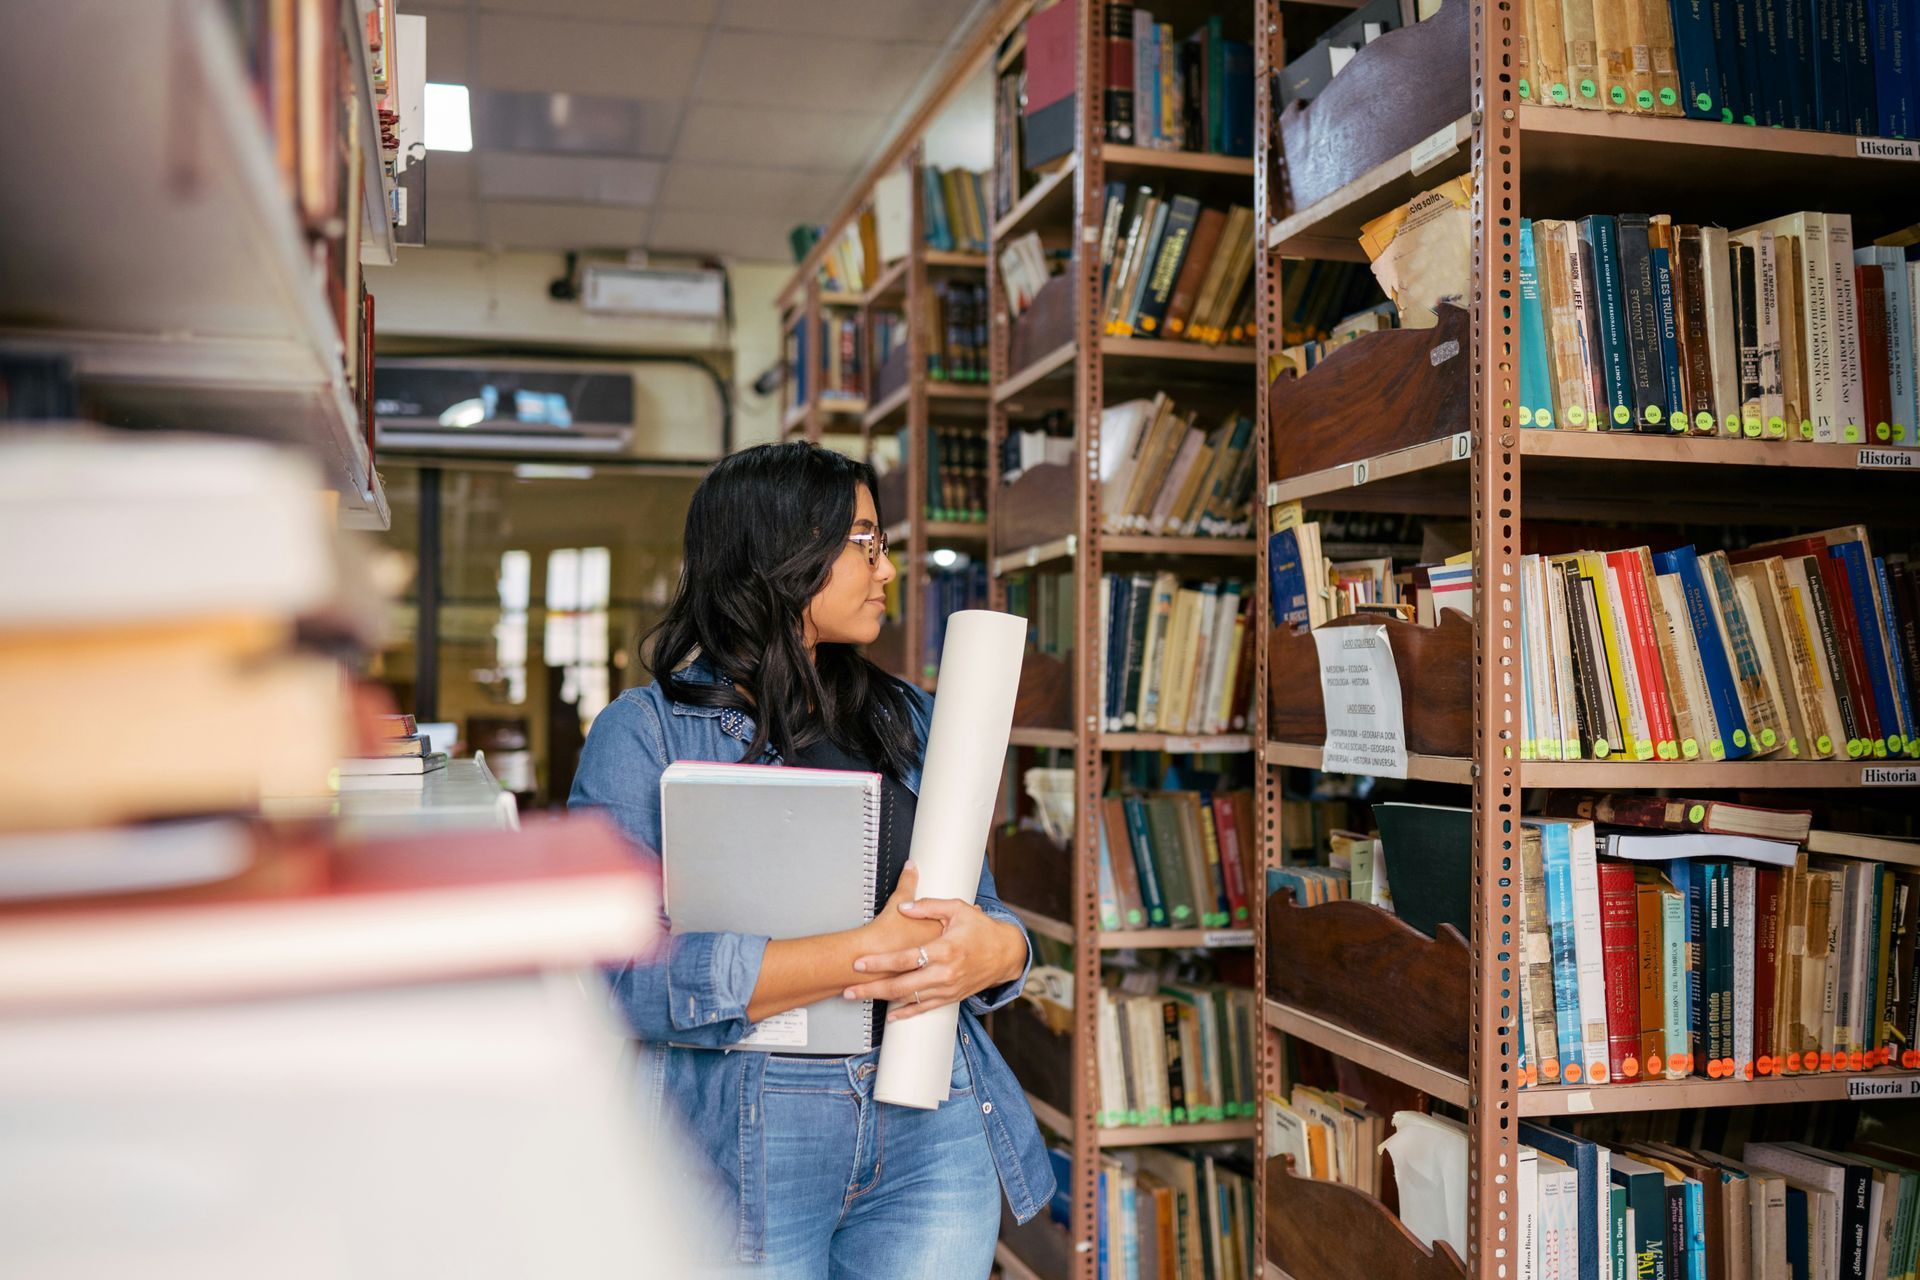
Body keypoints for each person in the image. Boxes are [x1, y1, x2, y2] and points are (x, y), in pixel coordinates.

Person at [570, 442, 1055, 1278]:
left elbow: (981, 913)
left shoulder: (911, 717)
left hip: (931, 1119)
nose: (889, 569)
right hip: (744, 1135)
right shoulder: (643, 733)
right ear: (781, 553)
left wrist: (1005, 950)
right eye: (863, 542)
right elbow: (619, 978)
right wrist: (869, 951)